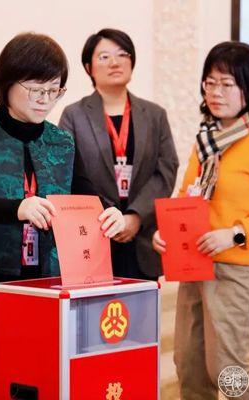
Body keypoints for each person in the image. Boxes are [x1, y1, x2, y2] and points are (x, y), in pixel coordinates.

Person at [0, 32, 126, 400]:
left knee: (28, 384)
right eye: (36, 89)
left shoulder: (61, 141)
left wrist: (110, 212)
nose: (44, 100)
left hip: (38, 283)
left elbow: (85, 195)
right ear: (7, 83)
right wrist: (17, 208)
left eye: (54, 91)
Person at [152, 41, 249, 399]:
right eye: (210, 83)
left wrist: (234, 234)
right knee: (189, 366)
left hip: (238, 270)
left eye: (226, 84)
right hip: (194, 264)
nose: (216, 92)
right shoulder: (206, 141)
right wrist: (165, 231)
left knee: (226, 370)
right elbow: (187, 195)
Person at [59, 28, 178, 281]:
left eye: (123, 54)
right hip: (94, 235)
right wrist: (110, 217)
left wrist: (135, 217)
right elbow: (67, 174)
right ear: (89, 67)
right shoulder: (74, 116)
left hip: (142, 239)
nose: (115, 62)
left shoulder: (154, 115)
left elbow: (165, 171)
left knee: (140, 306)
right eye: (104, 57)